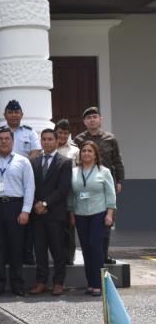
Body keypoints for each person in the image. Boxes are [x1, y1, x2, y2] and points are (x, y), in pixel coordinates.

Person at [0, 128, 35, 296]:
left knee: (16, 248)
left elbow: (29, 187)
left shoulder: (23, 161)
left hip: (15, 206)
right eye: (0, 139)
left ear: (13, 142)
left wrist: (26, 210)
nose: (3, 141)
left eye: (7, 139)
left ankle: (17, 285)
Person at [73, 107, 124, 265]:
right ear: (84, 122)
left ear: (100, 119)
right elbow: (75, 160)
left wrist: (119, 181)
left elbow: (117, 160)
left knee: (107, 221)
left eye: (95, 117)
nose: (92, 120)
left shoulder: (110, 138)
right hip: (86, 185)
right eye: (89, 118)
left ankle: (103, 254)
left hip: (105, 182)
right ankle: (93, 255)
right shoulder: (78, 140)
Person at [68, 141, 116, 297]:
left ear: (95, 155)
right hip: (80, 214)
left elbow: (110, 193)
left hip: (98, 213)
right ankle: (90, 283)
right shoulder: (74, 172)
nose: (86, 153)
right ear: (80, 154)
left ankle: (98, 284)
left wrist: (109, 214)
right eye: (84, 151)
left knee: (96, 248)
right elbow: (71, 195)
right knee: (86, 249)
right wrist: (71, 213)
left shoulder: (104, 171)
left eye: (90, 151)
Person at [28, 129, 72, 296]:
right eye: (44, 139)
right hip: (37, 214)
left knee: (58, 250)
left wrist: (45, 203)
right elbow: (29, 187)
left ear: (56, 141)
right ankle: (41, 282)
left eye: (49, 139)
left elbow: (63, 188)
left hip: (55, 214)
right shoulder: (34, 162)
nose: (46, 142)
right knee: (39, 250)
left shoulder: (65, 162)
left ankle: (59, 282)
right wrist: (35, 205)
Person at [55, 118, 79, 265]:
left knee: (69, 226)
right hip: (52, 192)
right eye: (60, 133)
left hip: (69, 192)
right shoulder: (49, 147)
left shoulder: (75, 150)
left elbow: (78, 172)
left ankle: (69, 257)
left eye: (65, 133)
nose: (62, 136)